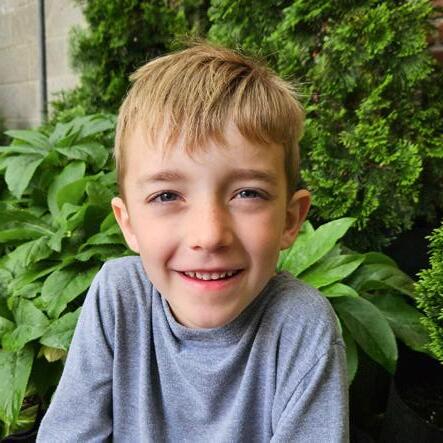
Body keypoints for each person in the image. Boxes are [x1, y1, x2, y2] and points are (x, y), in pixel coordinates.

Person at [37, 42, 349, 442]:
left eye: (248, 193)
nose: (210, 236)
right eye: (167, 196)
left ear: (290, 220)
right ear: (128, 223)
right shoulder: (118, 297)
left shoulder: (301, 325)